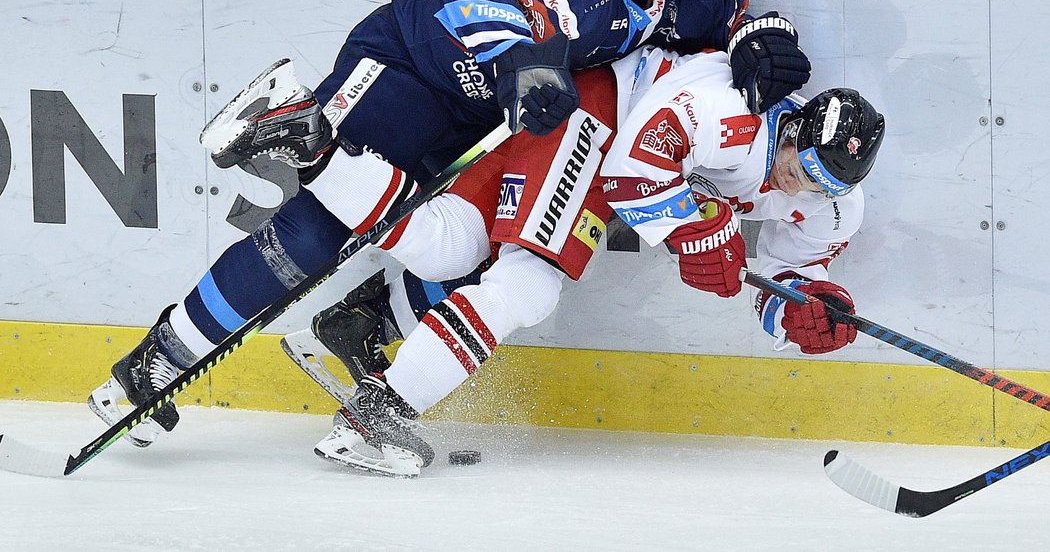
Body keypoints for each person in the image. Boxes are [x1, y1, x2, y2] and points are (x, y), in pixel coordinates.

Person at [86, 0, 811, 449]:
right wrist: (523, 62)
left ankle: (363, 322)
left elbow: (734, 8)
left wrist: (761, 36)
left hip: (474, 116)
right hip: (407, 70)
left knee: (469, 246)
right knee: (312, 237)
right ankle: (160, 356)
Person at [282, 43, 884, 478]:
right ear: (795, 127)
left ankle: (329, 204)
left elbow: (785, 279)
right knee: (526, 287)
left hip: (606, 141)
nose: (799, 187)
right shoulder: (731, 114)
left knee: (454, 245)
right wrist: (695, 231)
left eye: (822, 187)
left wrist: (802, 310)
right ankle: (374, 417)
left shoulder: (834, 208)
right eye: (801, 166)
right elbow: (631, 172)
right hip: (594, 110)